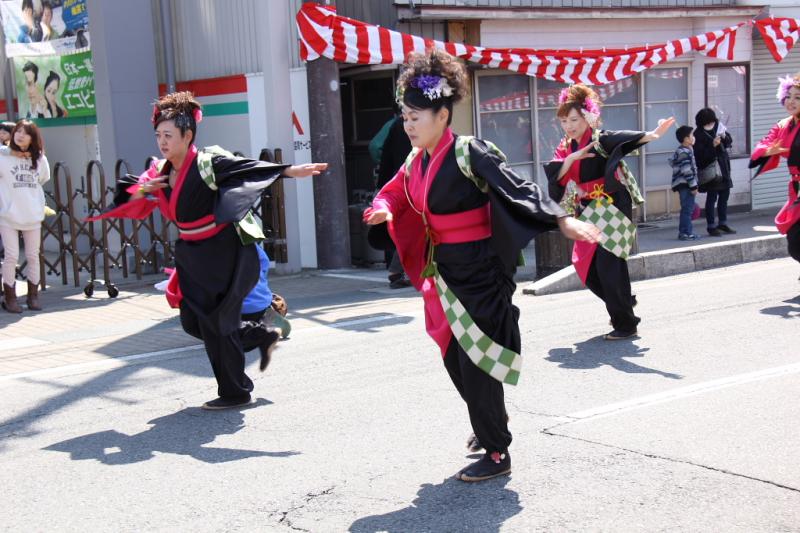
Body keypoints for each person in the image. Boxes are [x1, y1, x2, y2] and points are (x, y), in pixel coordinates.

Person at [364, 49, 601, 482]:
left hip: (479, 271)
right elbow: (395, 192)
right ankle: (485, 422)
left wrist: (562, 219)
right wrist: (382, 208)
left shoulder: (469, 152)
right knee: (456, 359)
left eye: (416, 116)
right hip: (444, 273)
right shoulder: (415, 160)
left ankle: (497, 451)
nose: (409, 124)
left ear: (441, 114)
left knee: (479, 362)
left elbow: (518, 188)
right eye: (405, 117)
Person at [89, 91, 327, 410]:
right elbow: (131, 195)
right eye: (159, 135)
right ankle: (259, 336)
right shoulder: (159, 171)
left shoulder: (207, 162)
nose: (162, 141)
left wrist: (287, 171)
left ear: (188, 135)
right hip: (193, 253)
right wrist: (145, 189)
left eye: (169, 135)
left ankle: (235, 390)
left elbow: (246, 169)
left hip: (225, 250)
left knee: (218, 322)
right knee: (193, 321)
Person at [545, 83, 675, 340]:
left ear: (588, 116)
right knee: (585, 268)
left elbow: (624, 140)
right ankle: (624, 302)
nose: (569, 126)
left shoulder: (598, 139)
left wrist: (653, 134)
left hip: (612, 205)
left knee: (609, 266)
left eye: (573, 119)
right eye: (563, 121)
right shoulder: (566, 147)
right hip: (587, 209)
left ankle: (625, 323)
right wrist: (571, 159)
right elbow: (556, 178)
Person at [750, 73, 800, 269]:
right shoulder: (784, 125)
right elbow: (762, 146)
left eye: (797, 97)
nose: (791, 101)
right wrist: (767, 151)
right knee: (794, 240)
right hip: (796, 188)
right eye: (789, 96)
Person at [0, 120, 50, 313]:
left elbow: (43, 179)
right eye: (17, 131)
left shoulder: (39, 159)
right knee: (11, 256)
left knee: (33, 256)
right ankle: (10, 298)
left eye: (26, 132)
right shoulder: (3, 156)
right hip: (8, 214)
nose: (20, 135)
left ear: (33, 138)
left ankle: (33, 296)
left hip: (32, 214)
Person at [373, 109, 413, 288]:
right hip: (411, 182)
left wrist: (382, 183)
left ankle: (396, 270)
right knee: (412, 227)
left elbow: (377, 147)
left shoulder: (396, 124)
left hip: (394, 182)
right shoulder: (424, 123)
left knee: (400, 227)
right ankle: (397, 271)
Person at [693, 107, 736, 237]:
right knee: (712, 198)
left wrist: (724, 136)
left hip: (723, 167)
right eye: (708, 123)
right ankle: (711, 226)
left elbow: (729, 142)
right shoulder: (698, 134)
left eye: (712, 122)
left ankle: (723, 223)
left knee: (724, 196)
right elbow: (700, 156)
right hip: (710, 171)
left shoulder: (718, 126)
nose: (711, 125)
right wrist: (712, 146)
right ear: (702, 123)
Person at [669, 125, 700, 241]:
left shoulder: (686, 150)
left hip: (685, 184)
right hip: (686, 185)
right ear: (686, 139)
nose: (693, 137)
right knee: (687, 210)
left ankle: (686, 232)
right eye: (692, 135)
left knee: (687, 209)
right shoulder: (684, 152)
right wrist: (693, 186)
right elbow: (686, 171)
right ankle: (685, 233)